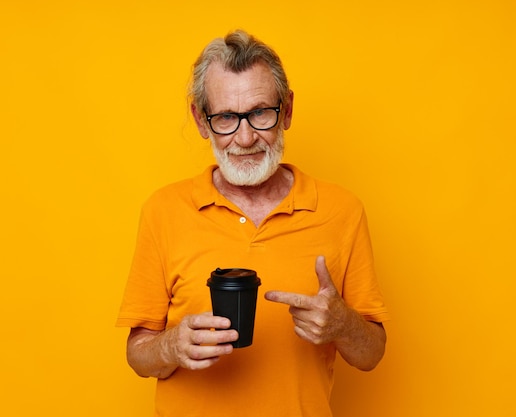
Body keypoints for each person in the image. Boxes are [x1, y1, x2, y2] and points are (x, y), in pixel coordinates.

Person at [116, 29, 389, 417]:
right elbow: (138, 355)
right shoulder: (163, 210)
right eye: (226, 116)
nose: (245, 138)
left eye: (261, 112)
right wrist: (171, 346)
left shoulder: (342, 210)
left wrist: (343, 324)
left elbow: (371, 354)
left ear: (288, 110)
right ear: (200, 119)